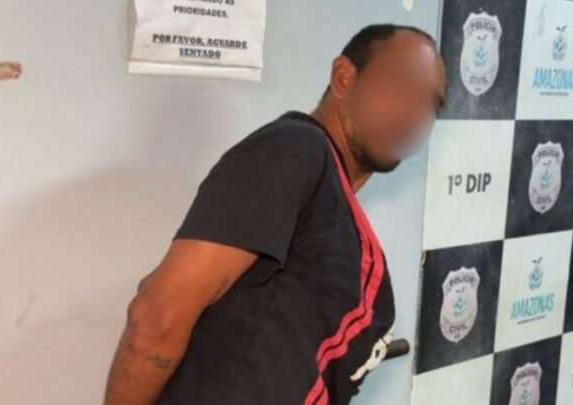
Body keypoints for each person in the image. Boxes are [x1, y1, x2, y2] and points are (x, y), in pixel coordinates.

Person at [104, 23, 446, 405]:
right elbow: (155, 319)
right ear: (343, 77)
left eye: (431, 104)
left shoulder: (332, 197)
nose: (414, 113)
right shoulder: (295, 151)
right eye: (401, 85)